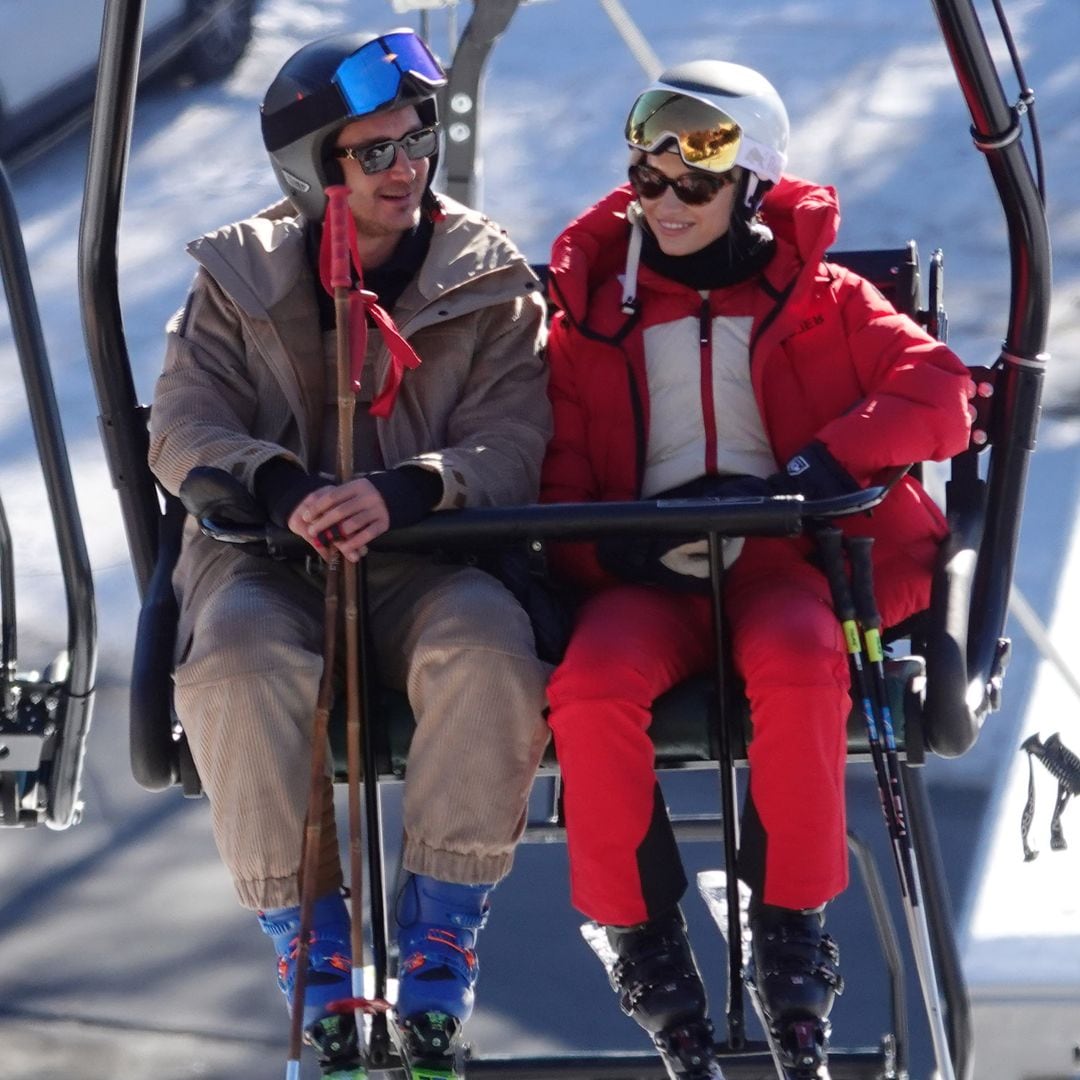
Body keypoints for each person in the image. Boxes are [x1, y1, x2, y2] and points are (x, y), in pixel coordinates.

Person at [540, 60, 973, 1079]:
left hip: (783, 563)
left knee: (802, 656)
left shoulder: (824, 298)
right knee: (591, 683)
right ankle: (641, 939)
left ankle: (789, 923)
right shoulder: (594, 314)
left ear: (753, 185)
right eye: (650, 182)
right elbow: (554, 471)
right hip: (646, 578)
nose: (670, 203)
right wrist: (609, 542)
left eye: (697, 182)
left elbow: (942, 394)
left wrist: (823, 464)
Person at [148, 28, 552, 1078]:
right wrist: (281, 490)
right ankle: (312, 949)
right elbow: (183, 426)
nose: (406, 166)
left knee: (488, 646)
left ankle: (441, 930)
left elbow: (514, 437)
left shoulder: (487, 277)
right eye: (373, 152)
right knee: (238, 659)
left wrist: (409, 487)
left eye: (414, 139)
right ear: (314, 170)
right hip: (271, 567)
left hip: (430, 555)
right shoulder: (240, 278)